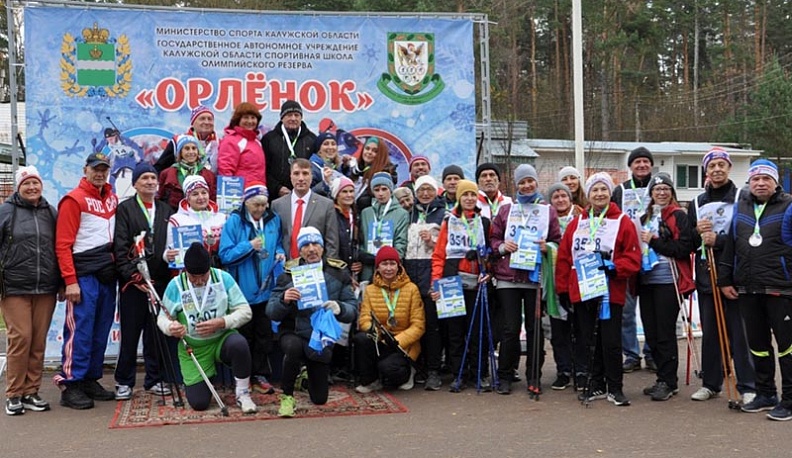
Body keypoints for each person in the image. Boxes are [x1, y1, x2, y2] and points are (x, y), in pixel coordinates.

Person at [555, 172, 641, 406]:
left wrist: (615, 266)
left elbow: (634, 258)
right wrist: (562, 289)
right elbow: (564, 257)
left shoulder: (622, 221)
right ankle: (596, 384)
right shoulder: (577, 222)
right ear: (588, 194)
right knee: (587, 340)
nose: (599, 194)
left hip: (609, 291)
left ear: (610, 192)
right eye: (595, 190)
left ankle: (615, 386)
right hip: (582, 290)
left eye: (603, 189)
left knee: (610, 340)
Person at [719, 159, 792, 420]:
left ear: (775, 182)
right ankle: (765, 394)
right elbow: (731, 246)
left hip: (781, 290)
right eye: (755, 179)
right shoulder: (742, 208)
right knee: (758, 346)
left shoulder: (789, 206)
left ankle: (790, 400)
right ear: (749, 183)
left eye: (766, 179)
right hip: (748, 289)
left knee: (787, 347)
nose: (760, 183)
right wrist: (725, 280)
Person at [688, 148, 756, 404]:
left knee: (740, 332)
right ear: (706, 171)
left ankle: (748, 385)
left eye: (721, 165)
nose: (716, 169)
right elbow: (690, 240)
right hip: (707, 273)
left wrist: (719, 239)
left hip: (736, 274)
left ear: (728, 168)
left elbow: (749, 236)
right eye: (711, 166)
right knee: (712, 333)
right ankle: (711, 383)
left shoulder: (743, 196)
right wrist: (697, 232)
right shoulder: (696, 202)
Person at [266, 227, 357, 417]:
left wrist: (339, 307)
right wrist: (284, 299)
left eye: (316, 244)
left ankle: (304, 376)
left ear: (323, 248)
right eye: (306, 245)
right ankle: (287, 397)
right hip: (293, 331)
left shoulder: (338, 272)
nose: (311, 249)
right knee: (293, 348)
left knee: (319, 398)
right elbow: (271, 311)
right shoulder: (288, 273)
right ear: (299, 250)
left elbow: (353, 309)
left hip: (320, 335)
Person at [158, 242, 257, 414]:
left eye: (202, 276)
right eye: (192, 277)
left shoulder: (222, 278)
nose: (198, 281)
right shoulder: (176, 285)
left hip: (221, 339)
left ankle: (243, 394)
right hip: (194, 348)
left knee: (239, 344)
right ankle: (207, 375)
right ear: (185, 271)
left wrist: (222, 322)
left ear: (209, 269)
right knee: (199, 403)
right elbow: (162, 318)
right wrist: (171, 327)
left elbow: (246, 311)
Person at [54, 152, 119, 409]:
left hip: (106, 274)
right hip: (83, 276)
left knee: (100, 329)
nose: (100, 173)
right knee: (80, 330)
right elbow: (63, 245)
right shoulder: (73, 200)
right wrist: (70, 280)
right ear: (85, 170)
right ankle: (70, 383)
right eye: (95, 169)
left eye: (104, 169)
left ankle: (90, 378)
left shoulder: (112, 199)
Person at [489, 165, 562, 394]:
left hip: (534, 277)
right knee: (510, 329)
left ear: (536, 182)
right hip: (508, 277)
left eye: (530, 181)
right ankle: (505, 375)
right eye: (522, 182)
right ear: (516, 185)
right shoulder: (505, 210)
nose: (526, 185)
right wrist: (502, 247)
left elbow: (557, 241)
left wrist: (546, 247)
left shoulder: (547, 211)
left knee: (534, 328)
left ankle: (534, 376)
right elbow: (492, 239)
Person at [113, 163, 176, 401]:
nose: (150, 182)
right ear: (136, 183)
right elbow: (120, 246)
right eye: (144, 178)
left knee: (155, 333)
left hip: (159, 282)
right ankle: (124, 381)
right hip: (134, 284)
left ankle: (154, 378)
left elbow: (172, 243)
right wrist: (133, 276)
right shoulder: (126, 209)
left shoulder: (166, 209)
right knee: (130, 333)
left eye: (152, 178)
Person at [0, 166, 59, 415]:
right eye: (26, 184)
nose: (32, 187)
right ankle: (13, 393)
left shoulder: (50, 212)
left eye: (35, 183)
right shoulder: (5, 211)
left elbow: (61, 247)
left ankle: (31, 391)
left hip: (45, 287)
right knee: (20, 338)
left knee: (37, 340)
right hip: (14, 286)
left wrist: (64, 282)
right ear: (18, 187)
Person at [218, 181, 285, 395]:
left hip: (266, 290)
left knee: (263, 336)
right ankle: (243, 377)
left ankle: (260, 375)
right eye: (256, 205)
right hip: (242, 292)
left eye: (264, 205)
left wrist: (280, 252)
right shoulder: (235, 222)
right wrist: (249, 246)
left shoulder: (274, 220)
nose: (260, 209)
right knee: (244, 337)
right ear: (246, 203)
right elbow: (225, 255)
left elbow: (278, 243)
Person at [431, 179, 492, 392]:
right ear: (459, 197)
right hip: (451, 281)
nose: (469, 198)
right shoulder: (450, 221)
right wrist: (435, 283)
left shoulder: (484, 222)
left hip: (476, 282)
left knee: (477, 332)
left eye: (472, 195)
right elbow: (439, 255)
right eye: (465, 195)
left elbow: (491, 253)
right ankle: (458, 374)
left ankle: (479, 373)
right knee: (455, 333)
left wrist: (488, 267)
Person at [638, 174, 695, 401]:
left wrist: (655, 241)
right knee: (651, 333)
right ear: (651, 193)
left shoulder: (679, 216)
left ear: (672, 192)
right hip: (646, 280)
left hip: (668, 280)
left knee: (664, 332)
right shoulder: (645, 217)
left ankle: (669, 381)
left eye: (665, 188)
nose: (661, 193)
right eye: (657, 189)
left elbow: (684, 248)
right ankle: (662, 377)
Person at [354, 247, 426, 392]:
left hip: (404, 344)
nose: (388, 268)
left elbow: (418, 325)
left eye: (392, 264)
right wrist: (375, 332)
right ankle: (371, 380)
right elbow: (365, 319)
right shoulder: (370, 289)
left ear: (399, 266)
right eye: (384, 264)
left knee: (389, 369)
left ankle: (408, 373)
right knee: (361, 339)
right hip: (382, 339)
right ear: (377, 267)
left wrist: (398, 340)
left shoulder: (411, 289)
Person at [611, 146, 655, 373]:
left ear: (651, 165)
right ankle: (631, 354)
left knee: (651, 310)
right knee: (626, 310)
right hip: (627, 256)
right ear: (630, 167)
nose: (641, 166)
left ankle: (651, 352)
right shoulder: (619, 190)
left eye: (645, 162)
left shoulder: (660, 187)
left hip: (653, 256)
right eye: (637, 162)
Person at [403, 175, 445, 390]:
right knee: (412, 325)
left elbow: (446, 245)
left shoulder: (443, 213)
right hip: (410, 273)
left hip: (431, 273)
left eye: (429, 189)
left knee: (432, 327)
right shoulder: (408, 212)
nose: (425, 194)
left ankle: (433, 371)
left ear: (436, 191)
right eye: (421, 190)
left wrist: (432, 240)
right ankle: (414, 368)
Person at [546, 181, 587, 390]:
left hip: (579, 279)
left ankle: (580, 368)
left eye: (563, 195)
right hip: (553, 281)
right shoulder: (545, 220)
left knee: (579, 327)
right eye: (555, 197)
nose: (560, 199)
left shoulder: (583, 219)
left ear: (570, 198)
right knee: (558, 329)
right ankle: (563, 369)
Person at [271, 158, 339, 260]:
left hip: (315, 268)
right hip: (285, 267)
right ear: (290, 176)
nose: (301, 178)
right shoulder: (277, 205)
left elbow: (332, 242)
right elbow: (274, 238)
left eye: (305, 173)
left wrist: (327, 270)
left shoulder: (326, 205)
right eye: (296, 173)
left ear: (311, 176)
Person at [358, 172, 410, 282]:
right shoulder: (366, 213)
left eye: (384, 189)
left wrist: (389, 263)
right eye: (376, 190)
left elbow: (401, 242)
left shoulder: (401, 213)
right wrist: (363, 255)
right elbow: (361, 240)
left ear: (390, 190)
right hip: (369, 269)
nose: (380, 193)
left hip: (390, 270)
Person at [166, 175, 227, 265]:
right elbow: (169, 250)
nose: (201, 197)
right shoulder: (177, 220)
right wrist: (168, 256)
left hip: (219, 270)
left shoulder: (222, 217)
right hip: (191, 273)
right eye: (195, 194)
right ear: (188, 198)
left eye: (204, 192)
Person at [262, 100, 317, 199]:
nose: (293, 118)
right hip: (276, 196)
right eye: (289, 115)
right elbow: (263, 169)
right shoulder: (268, 139)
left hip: (304, 195)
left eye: (296, 115)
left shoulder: (312, 139)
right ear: (282, 118)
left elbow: (316, 168)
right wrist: (277, 188)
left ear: (301, 118)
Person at [158, 134, 217, 210]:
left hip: (201, 216)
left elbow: (212, 200)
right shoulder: (166, 174)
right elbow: (160, 200)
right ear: (180, 152)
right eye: (187, 148)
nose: (191, 152)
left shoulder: (209, 175)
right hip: (174, 216)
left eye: (194, 148)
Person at [154, 105, 219, 173]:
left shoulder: (219, 143)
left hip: (212, 182)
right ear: (193, 123)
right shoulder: (178, 141)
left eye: (210, 119)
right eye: (202, 119)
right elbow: (160, 168)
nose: (207, 122)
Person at [217, 102, 267, 186]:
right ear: (238, 120)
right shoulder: (231, 140)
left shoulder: (256, 141)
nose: (250, 121)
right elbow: (225, 171)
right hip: (239, 194)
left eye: (253, 118)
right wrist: (231, 195)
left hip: (258, 193)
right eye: (246, 118)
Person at [345, 136, 397, 212]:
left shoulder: (384, 175)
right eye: (367, 148)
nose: (369, 152)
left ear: (381, 155)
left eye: (375, 151)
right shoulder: (355, 170)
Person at [309, 132, 344, 196]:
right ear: (318, 149)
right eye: (326, 144)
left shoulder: (336, 166)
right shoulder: (312, 168)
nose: (330, 147)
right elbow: (308, 194)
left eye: (333, 144)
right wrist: (325, 183)